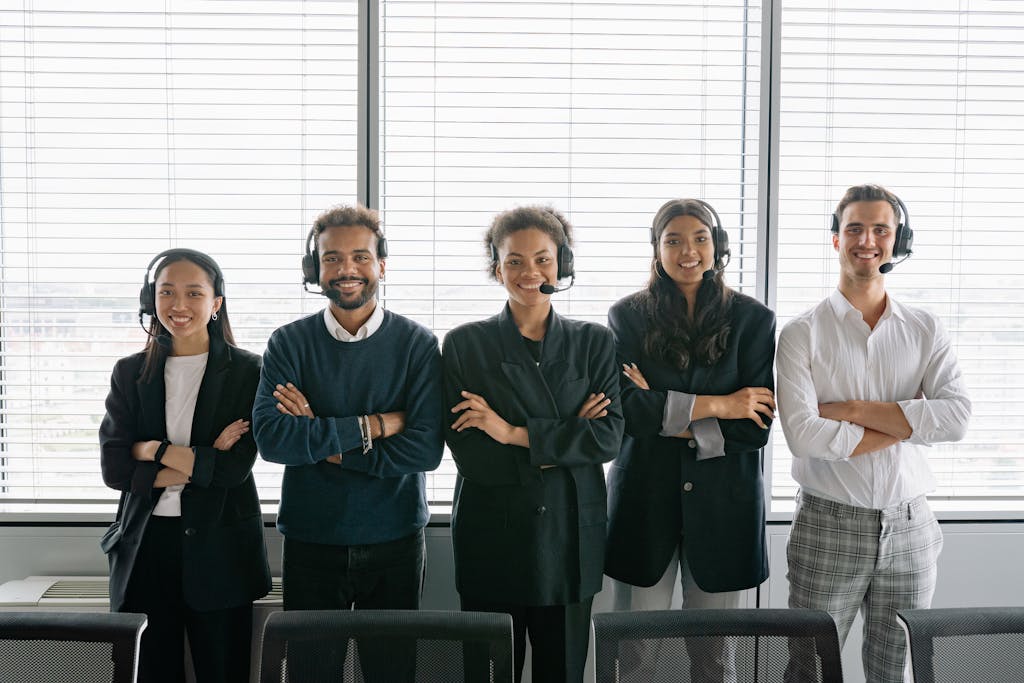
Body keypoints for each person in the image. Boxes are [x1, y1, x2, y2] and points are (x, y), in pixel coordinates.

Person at [776, 184, 971, 683]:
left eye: (881, 229)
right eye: (855, 228)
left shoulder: (925, 328)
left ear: (897, 239)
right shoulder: (803, 332)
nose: (868, 240)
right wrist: (907, 423)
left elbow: (955, 419)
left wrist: (856, 410)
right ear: (836, 240)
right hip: (828, 524)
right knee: (809, 670)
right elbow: (803, 436)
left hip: (911, 528)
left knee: (896, 671)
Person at [252, 204, 442, 682]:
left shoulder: (417, 344)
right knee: (312, 673)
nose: (346, 269)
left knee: (392, 673)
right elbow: (274, 439)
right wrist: (375, 426)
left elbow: (423, 450)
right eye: (331, 258)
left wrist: (319, 435)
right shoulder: (288, 343)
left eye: (360, 256)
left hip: (395, 537)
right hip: (312, 538)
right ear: (314, 268)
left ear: (381, 265)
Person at [442, 206, 624, 683]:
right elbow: (472, 456)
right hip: (492, 533)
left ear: (561, 264)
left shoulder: (596, 342)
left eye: (542, 259)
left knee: (562, 673)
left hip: (569, 536)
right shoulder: (464, 344)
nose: (529, 273)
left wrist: (509, 432)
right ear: (495, 267)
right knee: (485, 673)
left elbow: (606, 437)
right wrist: (564, 441)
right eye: (514, 261)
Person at [604, 198, 776, 682]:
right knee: (634, 655)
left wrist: (664, 406)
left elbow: (754, 426)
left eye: (700, 238)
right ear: (656, 249)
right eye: (673, 240)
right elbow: (628, 413)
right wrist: (721, 404)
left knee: (715, 658)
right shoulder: (626, 317)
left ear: (717, 246)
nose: (687, 251)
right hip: (644, 501)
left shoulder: (754, 320)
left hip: (725, 506)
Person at [99, 249, 271, 683]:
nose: (179, 305)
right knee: (153, 672)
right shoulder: (129, 372)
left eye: (194, 293)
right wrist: (197, 457)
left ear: (216, 304)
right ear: (149, 299)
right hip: (146, 548)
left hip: (221, 551)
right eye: (167, 292)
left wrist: (149, 450)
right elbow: (114, 469)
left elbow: (233, 471)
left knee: (223, 672)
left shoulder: (250, 372)